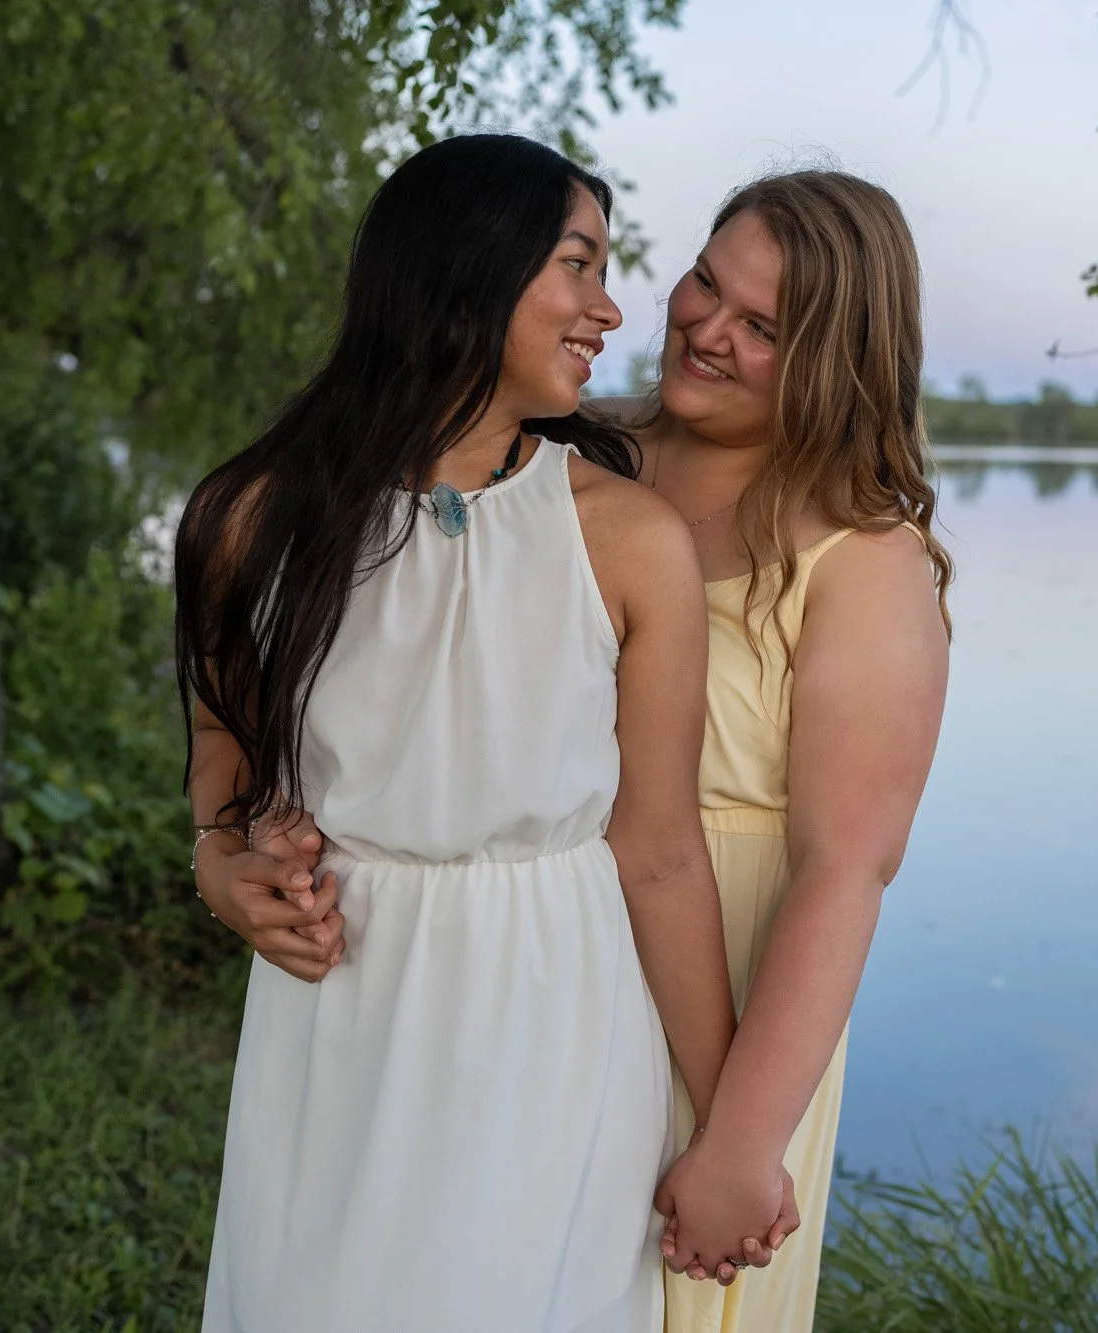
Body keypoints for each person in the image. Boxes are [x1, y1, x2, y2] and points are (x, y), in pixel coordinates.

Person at [176, 133, 776, 1332]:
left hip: (555, 1016)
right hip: (342, 1011)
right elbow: (219, 790)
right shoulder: (251, 521)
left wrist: (726, 1132)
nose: (610, 310)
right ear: (465, 270)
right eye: (577, 263)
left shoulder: (627, 537)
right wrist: (222, 872)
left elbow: (656, 852)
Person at [636, 170, 952, 1331]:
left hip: (732, 979)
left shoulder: (861, 558)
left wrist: (740, 1142)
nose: (704, 330)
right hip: (546, 950)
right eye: (704, 283)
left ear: (834, 363)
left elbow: (844, 867)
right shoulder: (583, 461)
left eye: (760, 328)